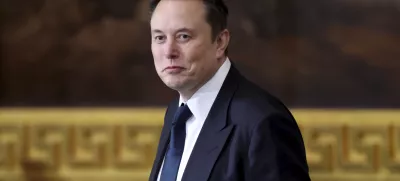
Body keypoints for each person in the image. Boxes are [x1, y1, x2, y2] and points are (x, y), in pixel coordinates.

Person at [148, 0, 311, 181]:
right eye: (160, 38)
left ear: (220, 42)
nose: (169, 51)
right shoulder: (176, 112)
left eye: (183, 36)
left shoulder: (264, 122)